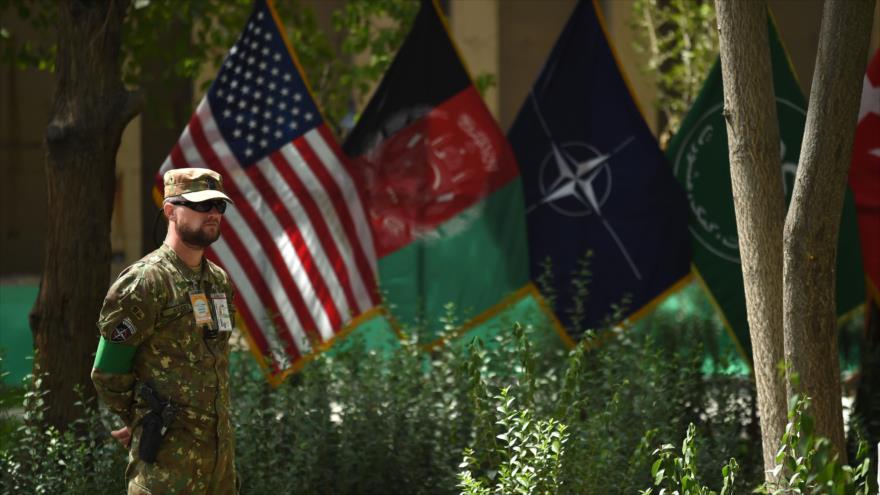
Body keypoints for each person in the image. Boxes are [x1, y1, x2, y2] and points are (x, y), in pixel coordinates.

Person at [92, 168, 238, 494]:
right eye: (201, 205)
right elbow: (107, 370)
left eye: (218, 205)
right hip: (166, 471)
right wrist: (140, 418)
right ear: (170, 210)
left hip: (218, 469)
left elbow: (216, 361)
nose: (213, 212)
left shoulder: (218, 282)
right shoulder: (145, 282)